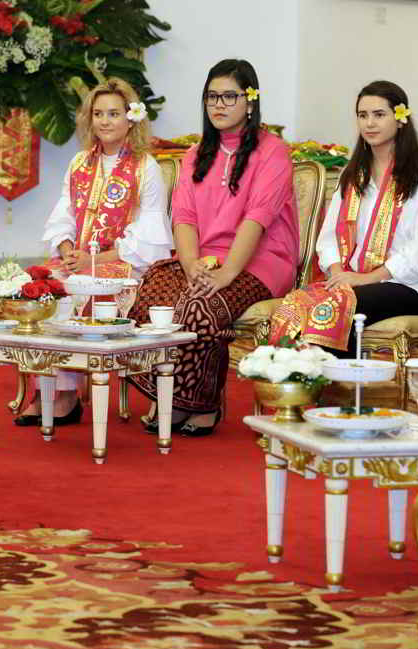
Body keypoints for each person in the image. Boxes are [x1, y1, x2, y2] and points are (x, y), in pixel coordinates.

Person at [127, 59, 299, 436]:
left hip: (259, 261)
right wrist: (190, 265)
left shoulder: (273, 152)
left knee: (200, 305)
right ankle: (169, 395)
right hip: (202, 258)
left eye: (229, 97)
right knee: (155, 294)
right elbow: (184, 218)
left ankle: (200, 404)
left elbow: (257, 218)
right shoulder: (196, 154)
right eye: (211, 97)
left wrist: (227, 273)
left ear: (250, 103)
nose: (218, 105)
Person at [16, 77, 173, 426]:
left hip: (123, 264)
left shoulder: (145, 166)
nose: (105, 121)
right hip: (79, 261)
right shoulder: (79, 163)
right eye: (98, 113)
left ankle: (66, 393)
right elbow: (64, 214)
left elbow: (150, 235)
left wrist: (94, 260)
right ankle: (48, 386)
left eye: (114, 113)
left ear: (131, 118)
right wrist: (68, 249)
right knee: (44, 286)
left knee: (83, 289)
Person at [268, 80, 418, 358]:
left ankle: (337, 392)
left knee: (339, 305)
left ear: (400, 120)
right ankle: (293, 393)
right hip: (351, 281)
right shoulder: (352, 174)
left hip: (406, 286)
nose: (369, 123)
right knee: (293, 304)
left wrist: (367, 279)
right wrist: (338, 271)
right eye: (363, 115)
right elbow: (328, 237)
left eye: (379, 114)